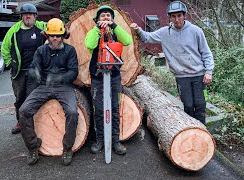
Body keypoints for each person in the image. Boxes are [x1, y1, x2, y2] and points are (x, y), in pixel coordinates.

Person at [130, 1, 214, 124]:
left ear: (184, 15)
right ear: (170, 17)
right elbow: (147, 37)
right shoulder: (165, 32)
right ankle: (190, 132)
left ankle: (203, 132)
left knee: (200, 105)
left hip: (199, 75)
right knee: (188, 106)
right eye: (173, 16)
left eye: (179, 15)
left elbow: (206, 52)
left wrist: (209, 71)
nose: (177, 19)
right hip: (181, 77)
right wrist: (138, 29)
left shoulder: (196, 31)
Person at [19, 18, 79, 166]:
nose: (55, 38)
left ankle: (67, 148)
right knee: (24, 110)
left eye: (58, 35)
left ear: (63, 35)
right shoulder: (41, 50)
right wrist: (34, 73)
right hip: (43, 86)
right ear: (47, 36)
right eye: (52, 35)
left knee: (72, 112)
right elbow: (33, 67)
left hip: (63, 87)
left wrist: (59, 77)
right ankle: (33, 147)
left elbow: (73, 72)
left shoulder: (70, 51)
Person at [85, 5, 133, 155]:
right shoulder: (94, 32)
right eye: (102, 16)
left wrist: (113, 25)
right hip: (98, 77)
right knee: (98, 109)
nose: (105, 17)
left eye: (108, 15)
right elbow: (89, 44)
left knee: (114, 108)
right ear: (97, 19)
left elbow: (128, 41)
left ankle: (115, 141)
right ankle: (99, 140)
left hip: (114, 76)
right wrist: (98, 30)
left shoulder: (116, 32)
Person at [1, 3, 47, 134]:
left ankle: (35, 122)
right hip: (19, 72)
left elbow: (54, 28)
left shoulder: (41, 27)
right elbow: (4, 48)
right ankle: (20, 122)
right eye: (25, 15)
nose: (28, 17)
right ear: (21, 16)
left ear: (35, 16)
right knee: (20, 98)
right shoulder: (14, 30)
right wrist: (10, 63)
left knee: (33, 97)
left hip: (36, 71)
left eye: (31, 14)